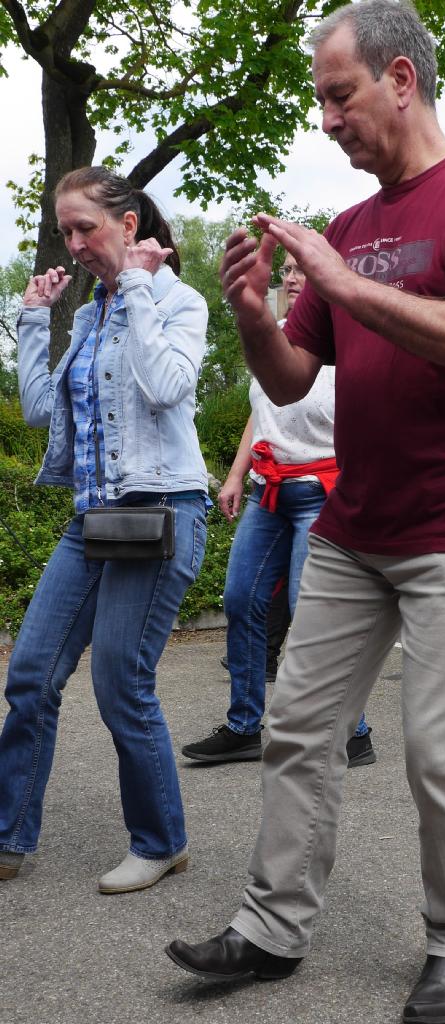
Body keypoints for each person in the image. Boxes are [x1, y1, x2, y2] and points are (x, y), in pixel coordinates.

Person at [165, 3, 445, 1022]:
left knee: (441, 752)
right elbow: (288, 381)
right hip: (356, 521)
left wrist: (340, 282)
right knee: (295, 725)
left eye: (341, 95)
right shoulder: (349, 227)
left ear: (402, 81)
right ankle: (271, 929)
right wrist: (253, 314)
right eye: (322, 101)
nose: (328, 120)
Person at [0, 166, 209, 893]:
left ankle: (161, 842)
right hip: (93, 518)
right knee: (30, 675)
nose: (75, 242)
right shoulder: (86, 318)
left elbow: (166, 386)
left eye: (86, 226)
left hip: (162, 513)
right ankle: (7, 837)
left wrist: (144, 287)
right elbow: (40, 413)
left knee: (122, 683)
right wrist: (32, 319)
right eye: (65, 231)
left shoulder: (179, 300)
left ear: (128, 224)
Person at [181, 253, 374, 766]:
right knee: (241, 598)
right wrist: (235, 473)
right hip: (268, 494)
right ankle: (245, 725)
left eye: (302, 269)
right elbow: (261, 410)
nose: (292, 278)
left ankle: (353, 731)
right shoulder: (277, 336)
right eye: (287, 270)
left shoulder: (347, 339)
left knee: (312, 615)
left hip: (321, 492)